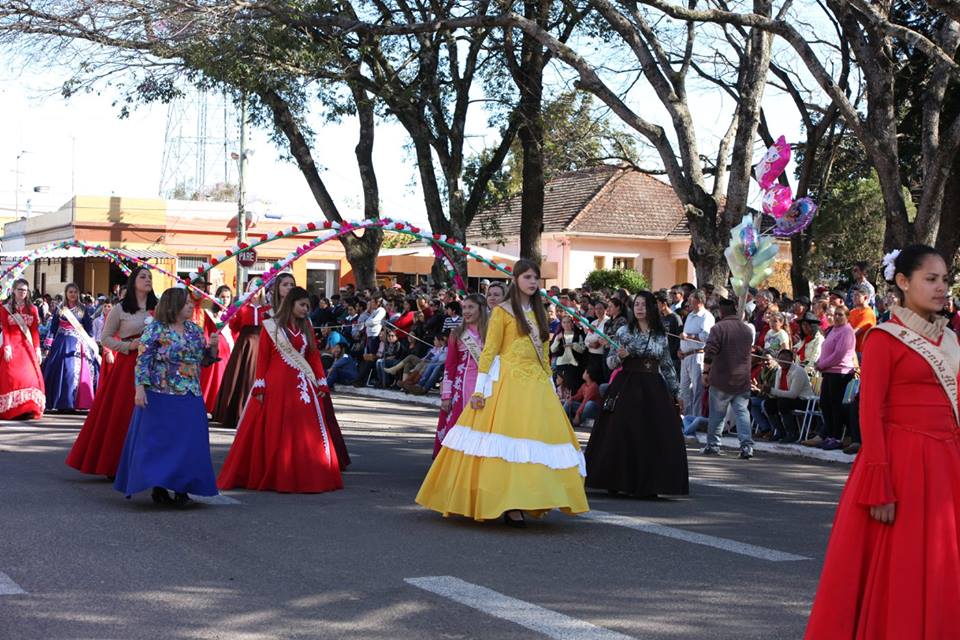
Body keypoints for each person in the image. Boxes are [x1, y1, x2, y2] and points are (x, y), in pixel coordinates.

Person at [806, 245, 959, 639]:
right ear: (903, 282)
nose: (941, 287)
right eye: (931, 279)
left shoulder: (951, 341)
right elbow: (869, 415)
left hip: (948, 464)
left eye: (945, 279)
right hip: (902, 463)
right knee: (904, 565)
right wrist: (879, 483)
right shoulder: (883, 339)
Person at [416, 259, 589, 526]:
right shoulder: (503, 312)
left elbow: (544, 353)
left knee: (536, 444)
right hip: (507, 383)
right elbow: (490, 350)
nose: (533, 282)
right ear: (516, 279)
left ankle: (532, 496)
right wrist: (480, 388)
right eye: (528, 277)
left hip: (538, 385)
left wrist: (550, 384)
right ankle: (508, 502)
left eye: (536, 278)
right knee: (506, 444)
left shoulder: (539, 313)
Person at [218, 287, 344, 493]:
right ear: (291, 304)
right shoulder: (271, 326)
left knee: (305, 429)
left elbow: (312, 355)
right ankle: (279, 473)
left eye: (308, 306)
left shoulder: (307, 327)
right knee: (277, 427)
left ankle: (307, 473)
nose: (306, 309)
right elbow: (264, 356)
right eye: (302, 305)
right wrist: (259, 382)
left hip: (302, 383)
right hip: (276, 383)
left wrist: (321, 380)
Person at [113, 287, 220, 507]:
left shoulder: (195, 331)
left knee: (189, 443)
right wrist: (140, 388)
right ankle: (160, 487)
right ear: (174, 305)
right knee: (162, 443)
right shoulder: (155, 330)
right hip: (160, 392)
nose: (191, 306)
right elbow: (143, 360)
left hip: (190, 393)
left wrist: (213, 350)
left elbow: (203, 361)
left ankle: (183, 489)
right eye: (187, 303)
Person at [585, 291, 688, 496]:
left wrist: (676, 391)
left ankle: (650, 483)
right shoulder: (624, 331)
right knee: (623, 430)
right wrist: (621, 356)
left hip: (654, 386)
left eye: (644, 304)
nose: (640, 308)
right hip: (629, 383)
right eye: (637, 304)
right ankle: (617, 479)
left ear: (652, 307)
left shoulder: (660, 334)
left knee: (653, 432)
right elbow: (610, 361)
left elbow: (667, 365)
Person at [66, 267, 157, 475]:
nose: (147, 280)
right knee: (122, 413)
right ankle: (116, 462)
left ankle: (147, 462)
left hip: (154, 364)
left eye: (150, 277)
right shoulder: (121, 309)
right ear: (133, 281)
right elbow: (105, 338)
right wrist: (128, 347)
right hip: (128, 364)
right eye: (143, 276)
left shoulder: (158, 308)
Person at [433, 294, 488, 457]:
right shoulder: (457, 333)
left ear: (481, 309)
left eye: (471, 307)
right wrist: (446, 395)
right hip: (460, 389)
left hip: (486, 387)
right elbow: (449, 366)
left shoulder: (493, 332)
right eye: (464, 307)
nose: (466, 311)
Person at [702, 298, 755, 458]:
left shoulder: (718, 328)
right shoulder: (747, 330)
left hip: (721, 378)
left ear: (722, 312)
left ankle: (713, 445)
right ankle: (746, 447)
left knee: (717, 414)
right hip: (742, 379)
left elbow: (710, 351)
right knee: (742, 413)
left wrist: (705, 372)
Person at [212, 281, 270, 428]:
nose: (256, 291)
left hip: (262, 343)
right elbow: (234, 326)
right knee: (242, 375)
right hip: (245, 344)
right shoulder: (242, 308)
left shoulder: (268, 309)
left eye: (259, 288)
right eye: (253, 288)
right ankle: (236, 413)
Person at [803, 306, 857, 448]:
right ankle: (830, 434)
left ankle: (837, 437)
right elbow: (825, 348)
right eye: (835, 314)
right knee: (825, 404)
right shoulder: (833, 330)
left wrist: (822, 365)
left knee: (835, 406)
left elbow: (839, 355)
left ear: (847, 316)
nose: (837, 317)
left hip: (840, 372)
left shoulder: (847, 332)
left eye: (840, 314)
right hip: (828, 371)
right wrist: (819, 362)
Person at [42, 283, 100, 412]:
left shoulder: (83, 309)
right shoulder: (60, 309)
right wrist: (48, 346)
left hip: (79, 343)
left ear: (78, 294)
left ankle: (76, 401)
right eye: (70, 292)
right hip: (61, 343)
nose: (72, 294)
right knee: (60, 369)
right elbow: (53, 328)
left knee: (74, 370)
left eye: (75, 292)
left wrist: (92, 345)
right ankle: (61, 402)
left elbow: (89, 330)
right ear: (66, 293)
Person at [0, 278, 45, 419]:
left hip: (27, 346)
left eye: (25, 290)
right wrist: (6, 346)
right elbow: (5, 329)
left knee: (30, 376)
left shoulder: (32, 309)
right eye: (20, 289)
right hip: (12, 345)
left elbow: (35, 331)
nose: (22, 293)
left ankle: (28, 407)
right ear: (13, 290)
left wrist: (37, 349)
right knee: (12, 376)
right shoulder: (5, 308)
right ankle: (12, 408)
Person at [762, 348, 813, 443]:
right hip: (788, 399)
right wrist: (767, 391)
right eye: (781, 359)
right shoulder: (779, 371)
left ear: (791, 360)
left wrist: (772, 390)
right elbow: (777, 392)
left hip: (804, 400)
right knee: (769, 403)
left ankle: (792, 433)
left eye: (786, 359)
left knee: (783, 403)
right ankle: (780, 431)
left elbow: (793, 394)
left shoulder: (798, 371)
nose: (783, 362)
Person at [197, 285, 234, 414]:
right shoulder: (211, 314)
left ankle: (220, 407)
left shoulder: (232, 313)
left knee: (225, 377)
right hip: (215, 348)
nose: (225, 300)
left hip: (228, 349)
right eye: (222, 297)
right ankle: (209, 404)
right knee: (214, 377)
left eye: (228, 297)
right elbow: (206, 330)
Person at [678, 291, 714, 418]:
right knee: (684, 390)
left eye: (691, 299)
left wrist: (689, 337)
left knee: (697, 390)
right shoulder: (690, 315)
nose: (688, 301)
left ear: (699, 301)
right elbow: (684, 334)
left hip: (697, 355)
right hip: (686, 356)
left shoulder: (706, 316)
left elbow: (706, 336)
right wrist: (680, 348)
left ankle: (696, 419)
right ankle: (687, 418)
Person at [550, 315, 586, 395]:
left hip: (574, 364)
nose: (566, 324)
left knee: (572, 389)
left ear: (572, 323)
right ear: (561, 324)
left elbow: (582, 350)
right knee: (561, 389)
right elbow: (552, 349)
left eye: (568, 322)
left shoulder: (578, 335)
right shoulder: (558, 335)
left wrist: (573, 345)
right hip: (562, 364)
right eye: (564, 322)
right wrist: (557, 340)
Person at [656, 291, 682, 376]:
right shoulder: (661, 317)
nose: (657, 306)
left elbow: (679, 338)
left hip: (672, 359)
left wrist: (672, 352)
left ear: (664, 304)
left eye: (658, 303)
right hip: (661, 356)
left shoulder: (675, 318)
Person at [849, 284, 877, 356]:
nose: (853, 298)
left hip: (862, 353)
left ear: (865, 298)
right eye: (853, 295)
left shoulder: (868, 313)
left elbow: (854, 332)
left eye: (857, 295)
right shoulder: (852, 312)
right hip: (852, 350)